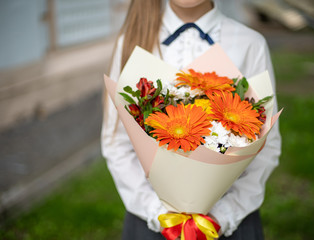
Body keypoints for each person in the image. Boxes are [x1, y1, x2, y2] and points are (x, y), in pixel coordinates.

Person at [101, 0, 281, 239]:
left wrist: (223, 215)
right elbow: (117, 142)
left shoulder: (250, 43)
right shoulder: (133, 39)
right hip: (151, 223)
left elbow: (266, 147)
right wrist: (159, 214)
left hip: (229, 223)